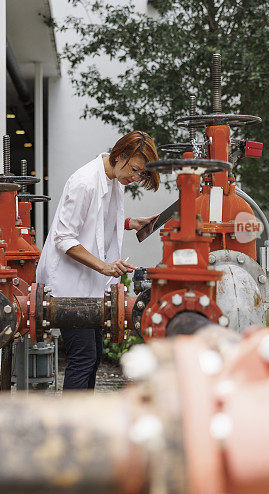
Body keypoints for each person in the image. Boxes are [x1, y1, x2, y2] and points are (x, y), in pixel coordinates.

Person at [36, 130, 160, 390]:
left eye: (141, 174)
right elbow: (64, 238)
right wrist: (105, 266)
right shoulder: (85, 182)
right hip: (68, 285)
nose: (136, 178)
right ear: (121, 155)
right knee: (83, 358)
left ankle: (83, 422)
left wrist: (130, 223)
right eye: (135, 170)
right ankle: (73, 427)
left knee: (91, 357)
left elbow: (96, 221)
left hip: (88, 285)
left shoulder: (112, 178)